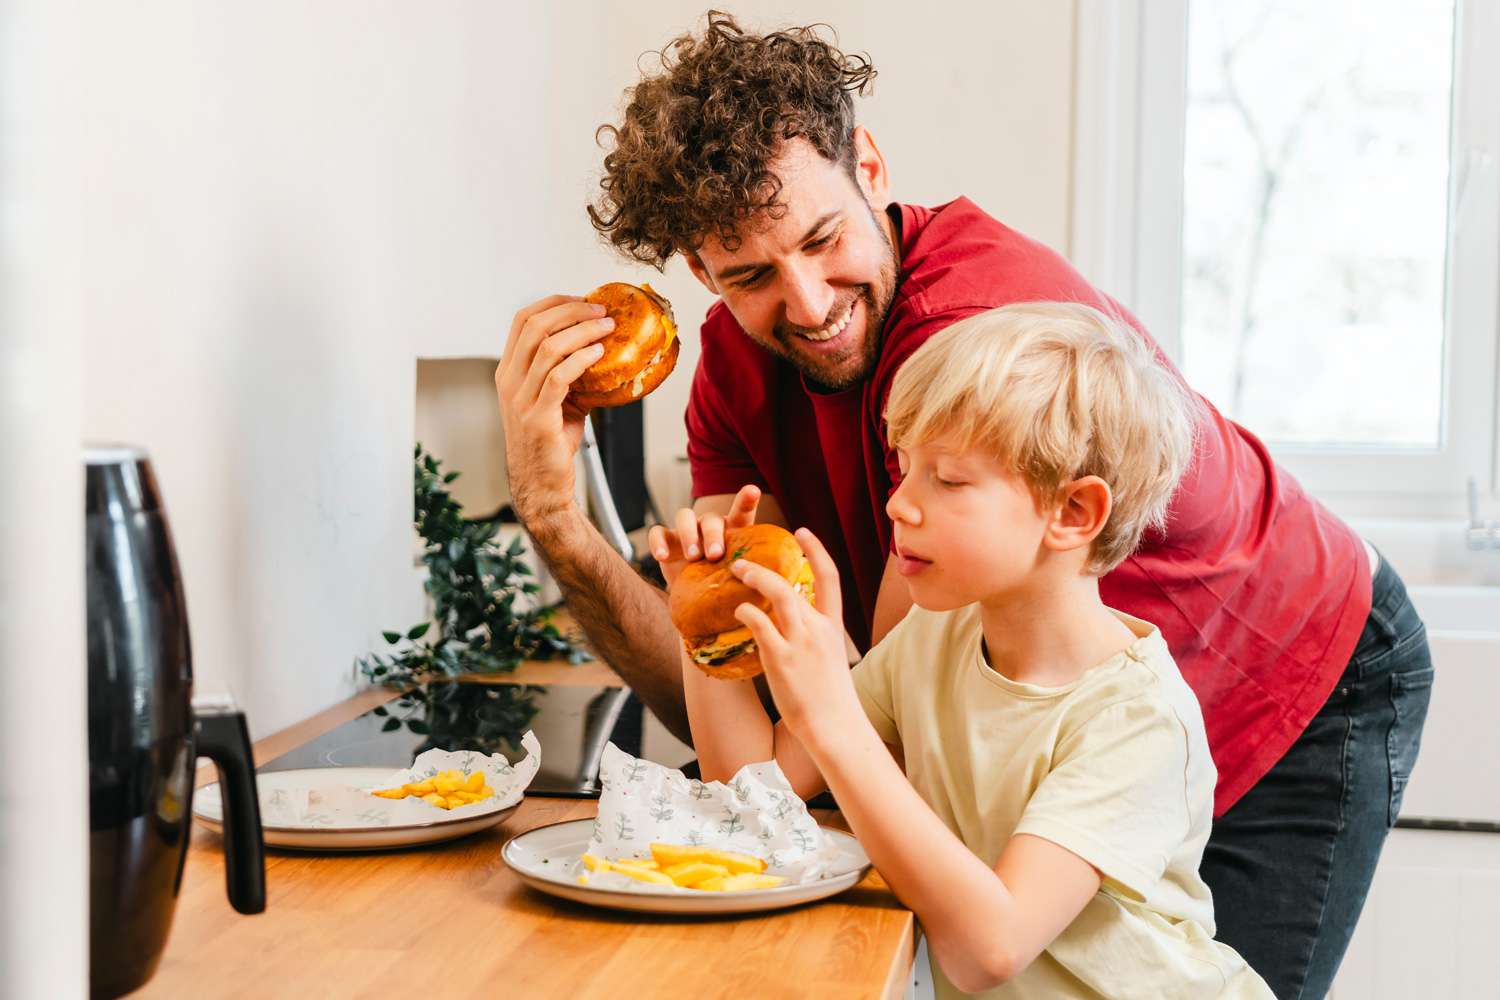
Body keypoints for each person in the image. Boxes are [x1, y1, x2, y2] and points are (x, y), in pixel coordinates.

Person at [493, 13, 1433, 996]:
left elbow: (879, 785)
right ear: (701, 274)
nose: (807, 303)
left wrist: (816, 689)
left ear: (870, 163)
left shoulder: (971, 361)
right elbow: (769, 744)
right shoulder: (762, 401)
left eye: (822, 238)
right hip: (1038, 715)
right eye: (753, 275)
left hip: (1297, 658)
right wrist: (575, 530)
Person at [655, 302, 1274, 997]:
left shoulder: (1135, 721)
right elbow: (746, 788)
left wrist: (831, 712)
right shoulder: (934, 638)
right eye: (903, 469)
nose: (899, 504)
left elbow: (991, 949)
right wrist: (700, 621)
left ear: (1073, 514)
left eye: (947, 479)